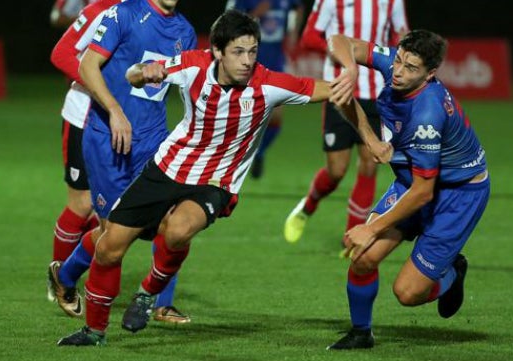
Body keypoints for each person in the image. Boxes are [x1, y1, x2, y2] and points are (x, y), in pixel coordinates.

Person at [56, 9, 391, 346]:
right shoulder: (191, 65)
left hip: (216, 182)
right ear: (217, 51)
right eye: (238, 52)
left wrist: (372, 139)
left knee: (178, 230)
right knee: (109, 247)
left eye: (253, 51)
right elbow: (131, 74)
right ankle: (93, 331)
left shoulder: (270, 85)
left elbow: (338, 95)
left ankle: (148, 293)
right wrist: (144, 72)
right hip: (167, 167)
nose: (247, 61)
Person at [324, 30, 490, 350]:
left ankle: (452, 272)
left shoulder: (427, 113)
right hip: (412, 180)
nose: (398, 71)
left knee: (408, 294)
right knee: (363, 257)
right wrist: (351, 69)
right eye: (398, 61)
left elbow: (423, 194)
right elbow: (338, 41)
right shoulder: (397, 65)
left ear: (430, 74)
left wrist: (369, 227)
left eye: (410, 68)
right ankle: (361, 333)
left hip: (456, 195)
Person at [47, 0, 197, 324]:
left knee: (174, 220)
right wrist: (113, 104)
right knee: (108, 231)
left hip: (153, 138)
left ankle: (160, 303)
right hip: (104, 132)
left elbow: (190, 85)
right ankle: (66, 277)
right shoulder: (115, 11)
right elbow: (76, 59)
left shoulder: (185, 30)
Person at [284, 0, 409, 245]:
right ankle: (308, 206)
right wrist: (345, 54)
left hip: (377, 92)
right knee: (336, 170)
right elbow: (309, 38)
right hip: (340, 88)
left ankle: (351, 238)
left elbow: (401, 37)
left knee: (369, 164)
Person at [46, 0, 116, 307]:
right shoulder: (102, 8)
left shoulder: (155, 15)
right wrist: (99, 84)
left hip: (121, 123)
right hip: (83, 117)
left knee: (109, 208)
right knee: (82, 202)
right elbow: (61, 53)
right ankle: (61, 281)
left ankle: (88, 280)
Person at [226, 0, 305, 179]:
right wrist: (255, 14)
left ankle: (258, 153)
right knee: (243, 117)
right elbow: (232, 26)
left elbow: (299, 7)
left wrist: (294, 31)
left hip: (275, 64)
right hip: (249, 64)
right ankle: (231, 161)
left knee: (276, 120)